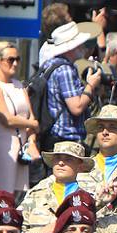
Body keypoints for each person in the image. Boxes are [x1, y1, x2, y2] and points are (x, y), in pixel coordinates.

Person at [38, 22, 103, 151]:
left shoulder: (50, 64)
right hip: (65, 139)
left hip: (53, 136)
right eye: (79, 44)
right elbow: (76, 107)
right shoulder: (65, 70)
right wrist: (91, 85)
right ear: (71, 48)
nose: (83, 47)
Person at [0, 41, 37, 196]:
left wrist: (32, 142)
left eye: (18, 59)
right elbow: (6, 119)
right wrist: (32, 123)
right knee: (3, 194)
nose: (15, 64)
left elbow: (31, 115)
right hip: (3, 148)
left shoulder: (19, 85)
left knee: (19, 196)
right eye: (10, 60)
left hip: (22, 148)